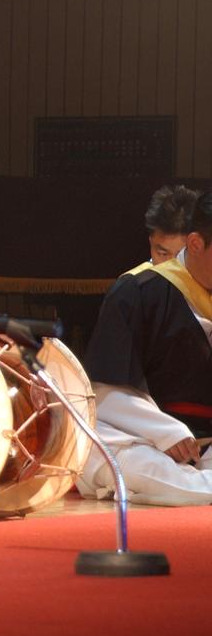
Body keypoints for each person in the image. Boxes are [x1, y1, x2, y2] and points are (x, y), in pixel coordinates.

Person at [78, 190, 212, 505]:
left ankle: (193, 490)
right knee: (125, 462)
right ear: (195, 244)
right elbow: (102, 392)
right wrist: (166, 431)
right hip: (145, 441)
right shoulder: (136, 291)